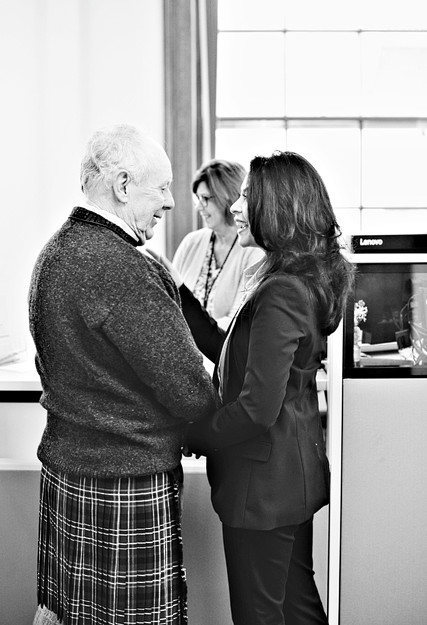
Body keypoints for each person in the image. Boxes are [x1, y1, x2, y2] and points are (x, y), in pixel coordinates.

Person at [27, 124, 220, 625]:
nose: (172, 202)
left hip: (68, 468)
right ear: (124, 185)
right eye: (162, 187)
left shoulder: (54, 253)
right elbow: (188, 390)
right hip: (125, 478)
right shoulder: (121, 266)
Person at [177, 151, 354, 625]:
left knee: (261, 615)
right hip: (286, 479)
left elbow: (257, 408)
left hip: (263, 487)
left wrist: (194, 435)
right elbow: (234, 354)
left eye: (249, 196)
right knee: (297, 606)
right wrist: (177, 297)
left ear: (275, 207)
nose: (237, 206)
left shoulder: (281, 289)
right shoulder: (295, 280)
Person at [172, 159, 264, 330]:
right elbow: (172, 307)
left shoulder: (254, 250)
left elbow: (237, 322)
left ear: (229, 197)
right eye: (197, 198)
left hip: (221, 352)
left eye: (206, 198)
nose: (198, 206)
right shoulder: (191, 243)